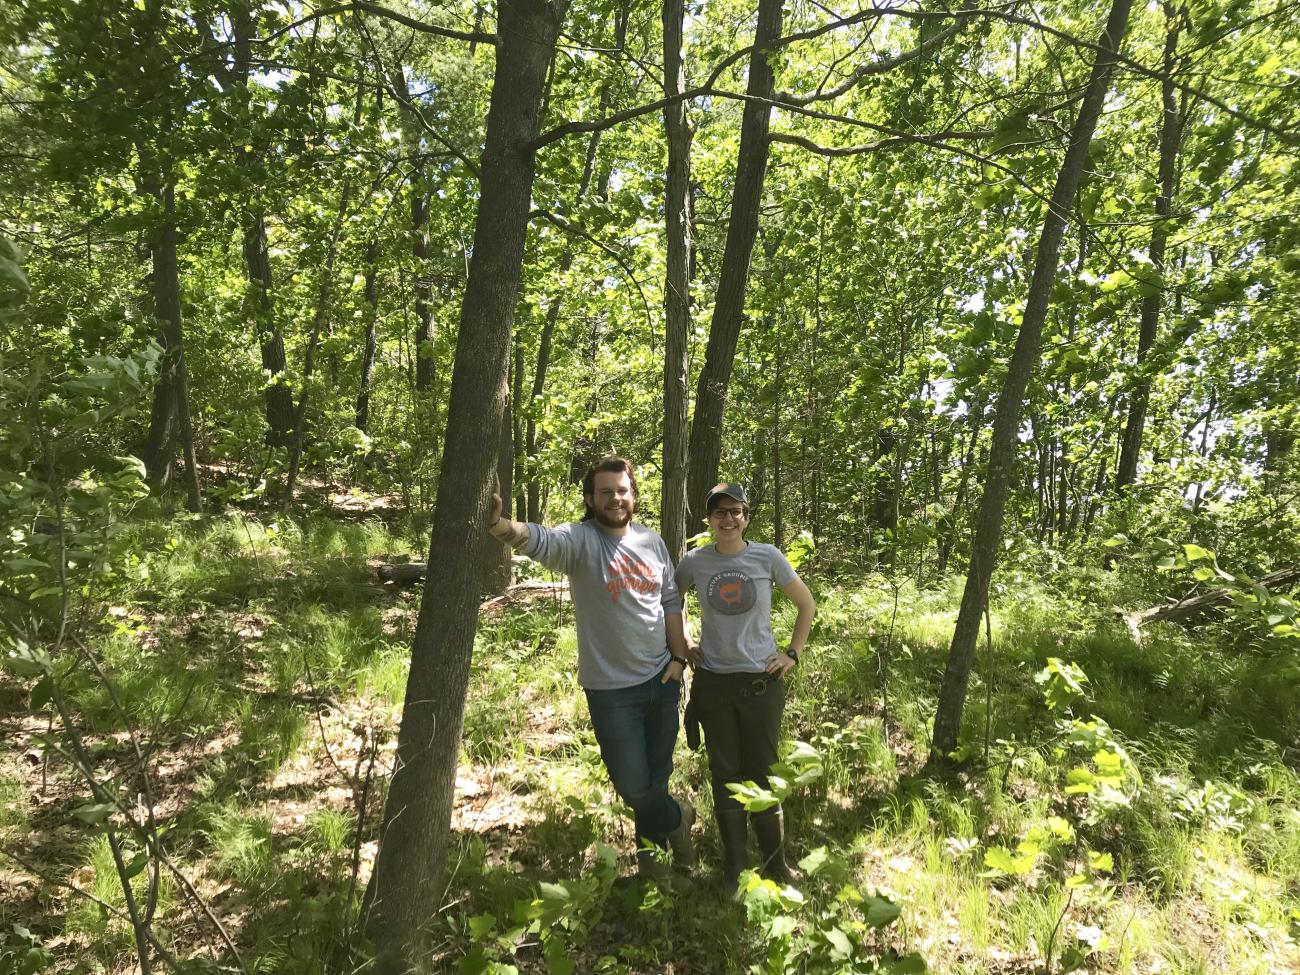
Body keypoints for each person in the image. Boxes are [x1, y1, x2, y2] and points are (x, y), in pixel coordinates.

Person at [487, 457, 695, 879]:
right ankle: (680, 819)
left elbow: (670, 603)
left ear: (633, 495)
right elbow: (541, 540)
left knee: (655, 778)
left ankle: (653, 871)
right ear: (590, 499)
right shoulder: (580, 541)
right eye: (606, 492)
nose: (615, 499)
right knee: (634, 785)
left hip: (662, 679)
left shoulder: (652, 542)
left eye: (622, 490)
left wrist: (678, 658)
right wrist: (502, 528)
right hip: (612, 691)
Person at [675, 483, 816, 884]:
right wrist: (685, 639)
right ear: (709, 520)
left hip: (761, 682)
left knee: (762, 772)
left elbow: (806, 604)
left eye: (736, 512)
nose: (728, 519)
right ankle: (735, 867)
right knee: (724, 772)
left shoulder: (766, 556)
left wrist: (792, 654)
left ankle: (776, 865)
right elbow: (673, 599)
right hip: (715, 683)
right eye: (720, 513)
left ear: (746, 517)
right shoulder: (695, 562)